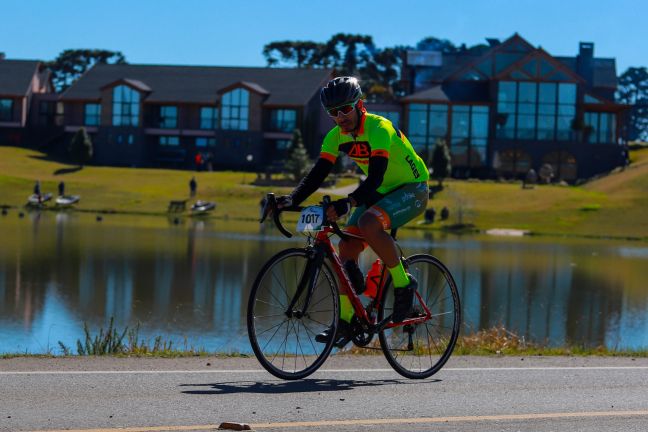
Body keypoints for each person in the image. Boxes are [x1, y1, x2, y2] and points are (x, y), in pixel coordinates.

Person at [275, 76, 429, 346]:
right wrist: (290, 199)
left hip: (412, 189)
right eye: (333, 113)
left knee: (369, 222)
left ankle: (404, 284)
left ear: (360, 105)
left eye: (345, 109)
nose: (340, 117)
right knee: (346, 246)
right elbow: (317, 174)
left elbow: (377, 176)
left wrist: (349, 202)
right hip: (380, 192)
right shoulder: (336, 136)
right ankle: (346, 322)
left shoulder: (379, 127)